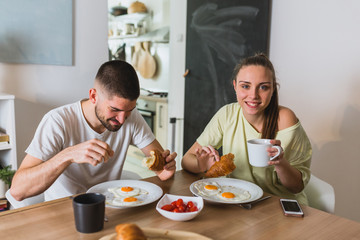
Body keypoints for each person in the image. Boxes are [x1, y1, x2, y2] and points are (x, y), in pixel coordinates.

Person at [10, 60, 177, 201]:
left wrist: (166, 168)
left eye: (129, 111)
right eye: (114, 110)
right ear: (93, 96)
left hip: (111, 204)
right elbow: (17, 191)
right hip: (64, 208)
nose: (121, 120)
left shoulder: (131, 117)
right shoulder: (58, 121)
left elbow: (161, 172)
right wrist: (68, 155)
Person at [181, 53, 312, 205]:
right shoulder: (227, 114)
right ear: (235, 86)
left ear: (273, 89)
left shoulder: (286, 119)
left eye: (263, 87)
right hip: (238, 203)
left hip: (277, 205)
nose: (253, 95)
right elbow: (186, 160)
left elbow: (297, 187)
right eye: (245, 86)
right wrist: (202, 165)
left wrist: (280, 162)